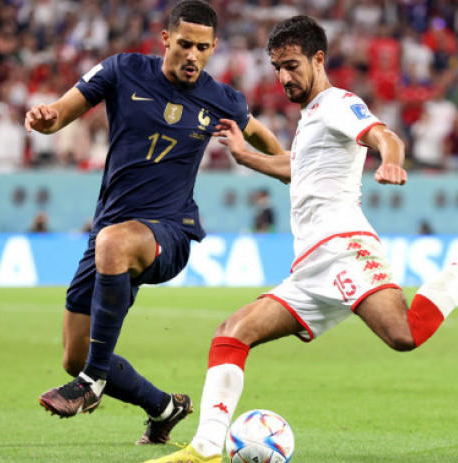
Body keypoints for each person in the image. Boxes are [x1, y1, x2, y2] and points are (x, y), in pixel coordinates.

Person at [145, 15, 458, 463]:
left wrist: (391, 160)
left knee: (404, 334)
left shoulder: (338, 103)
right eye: (276, 68)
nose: (284, 77)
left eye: (291, 65)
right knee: (231, 332)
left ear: (318, 58)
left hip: (345, 248)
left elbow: (384, 136)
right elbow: (294, 169)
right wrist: (244, 153)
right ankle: (206, 448)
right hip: (309, 267)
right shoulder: (310, 117)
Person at [25, 0, 284, 445]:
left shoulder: (221, 98)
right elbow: (61, 112)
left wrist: (282, 165)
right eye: (184, 44)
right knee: (75, 354)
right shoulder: (122, 70)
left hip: (171, 231)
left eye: (203, 48)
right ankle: (165, 407)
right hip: (111, 231)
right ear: (166, 39)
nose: (193, 55)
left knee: (112, 247)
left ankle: (92, 385)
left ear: (214, 47)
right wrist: (46, 119)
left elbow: (264, 137)